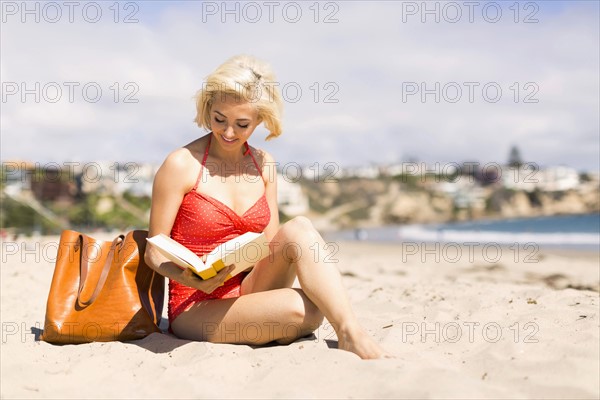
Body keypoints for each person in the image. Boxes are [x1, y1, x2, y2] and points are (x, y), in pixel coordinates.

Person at [145, 55, 389, 359]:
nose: (228, 133)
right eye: (219, 119)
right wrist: (187, 276)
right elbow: (154, 250)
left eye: (242, 124)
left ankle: (352, 333)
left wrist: (238, 257)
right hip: (195, 304)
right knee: (306, 311)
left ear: (260, 119)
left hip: (250, 287)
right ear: (208, 108)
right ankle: (343, 331)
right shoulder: (181, 164)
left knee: (299, 230)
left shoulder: (264, 164)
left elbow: (272, 245)